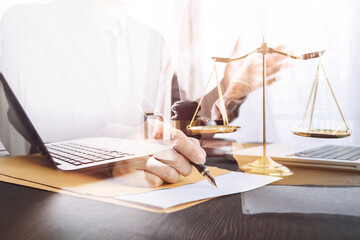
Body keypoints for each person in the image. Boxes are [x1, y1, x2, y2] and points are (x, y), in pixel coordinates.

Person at [0, 0, 205, 188]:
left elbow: (175, 114)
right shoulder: (25, 21)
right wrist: (116, 147)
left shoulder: (152, 39)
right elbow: (38, 119)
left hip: (144, 188)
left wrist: (230, 97)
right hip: (54, 188)